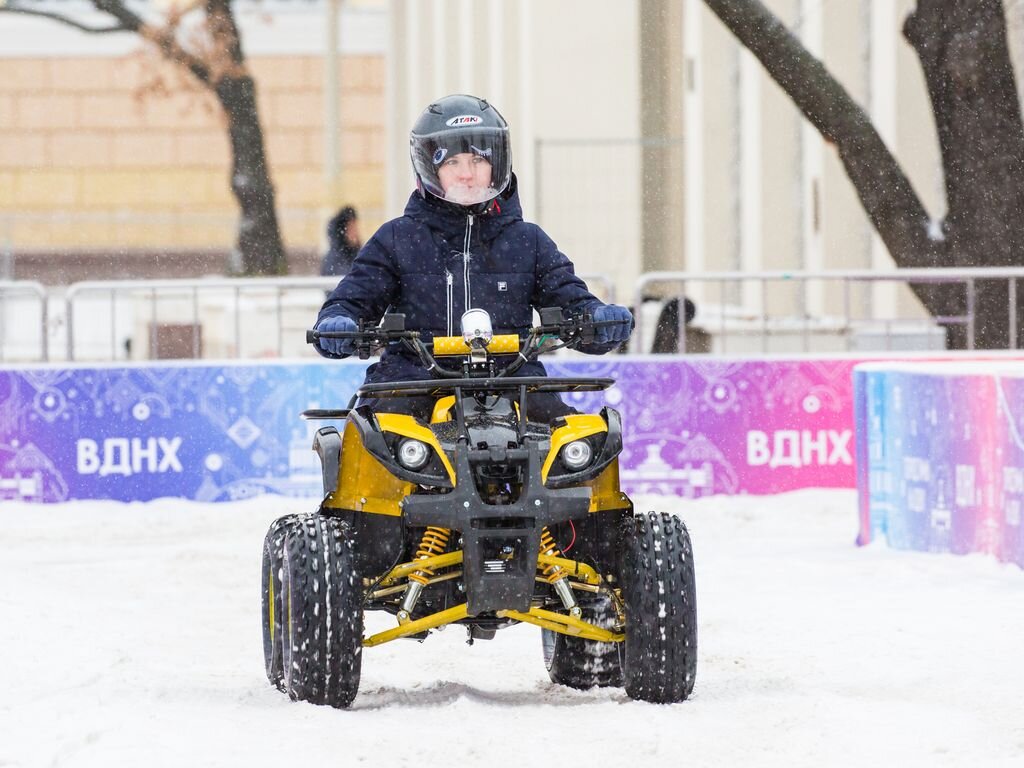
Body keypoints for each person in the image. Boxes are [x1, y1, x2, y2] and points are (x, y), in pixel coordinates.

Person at [312, 94, 633, 421]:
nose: (466, 174)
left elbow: (571, 299)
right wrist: (339, 324)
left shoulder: (528, 241)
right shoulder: (397, 239)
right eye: (452, 163)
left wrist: (596, 318)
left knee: (576, 442)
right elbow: (351, 301)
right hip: (413, 378)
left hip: (513, 376)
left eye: (477, 161)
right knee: (381, 436)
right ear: (429, 170)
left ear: (497, 165)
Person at [320, 205, 361, 278]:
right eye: (351, 228)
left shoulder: (361, 254)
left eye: (356, 227)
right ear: (343, 231)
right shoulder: (333, 259)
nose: (356, 232)